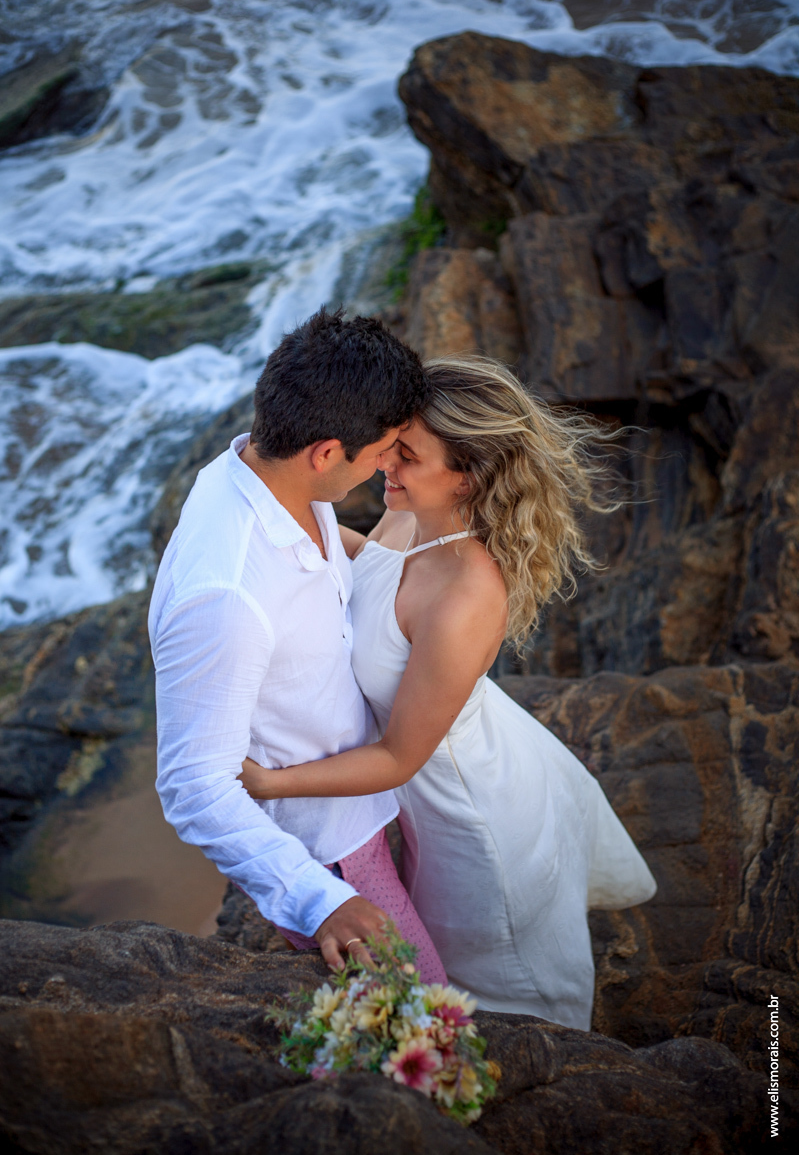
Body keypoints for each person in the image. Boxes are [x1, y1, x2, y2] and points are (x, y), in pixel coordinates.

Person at [238, 352, 657, 1030]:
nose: (383, 465)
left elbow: (400, 756)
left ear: (465, 477)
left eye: (406, 455)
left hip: (465, 802)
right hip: (436, 775)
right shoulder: (411, 515)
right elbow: (367, 564)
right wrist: (272, 523)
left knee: (494, 969)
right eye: (390, 446)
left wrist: (269, 782)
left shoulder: (466, 590)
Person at [149, 307, 446, 982]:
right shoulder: (226, 597)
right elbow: (193, 785)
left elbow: (315, 564)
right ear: (325, 452)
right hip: (325, 849)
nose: (383, 470)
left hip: (364, 805)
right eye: (377, 455)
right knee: (429, 1015)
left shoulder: (265, 471)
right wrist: (321, 902)